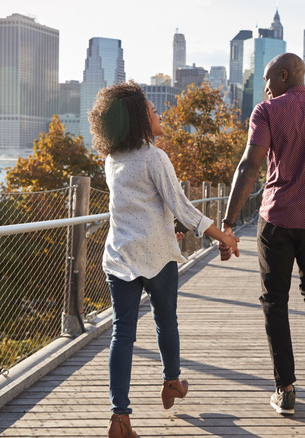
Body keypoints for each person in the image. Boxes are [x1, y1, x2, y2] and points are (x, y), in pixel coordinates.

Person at [88, 81, 239, 437]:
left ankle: (120, 417)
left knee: (121, 334)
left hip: (120, 256)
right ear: (140, 118)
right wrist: (225, 237)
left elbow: (140, 205)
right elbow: (183, 207)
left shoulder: (112, 160)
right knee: (165, 322)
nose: (160, 114)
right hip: (156, 256)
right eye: (153, 110)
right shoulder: (155, 157)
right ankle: (172, 382)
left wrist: (170, 224)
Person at [219, 53, 305, 417]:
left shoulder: (266, 112)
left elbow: (250, 166)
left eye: (267, 80)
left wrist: (228, 222)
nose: (264, 88)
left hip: (277, 219)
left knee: (274, 301)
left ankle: (285, 389)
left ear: (284, 76)